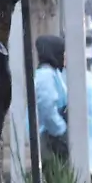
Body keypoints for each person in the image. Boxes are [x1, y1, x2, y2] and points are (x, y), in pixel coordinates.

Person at [32, 34, 69, 163]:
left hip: (53, 135)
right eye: (63, 52)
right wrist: (61, 130)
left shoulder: (53, 72)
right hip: (51, 137)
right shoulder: (45, 75)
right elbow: (46, 107)